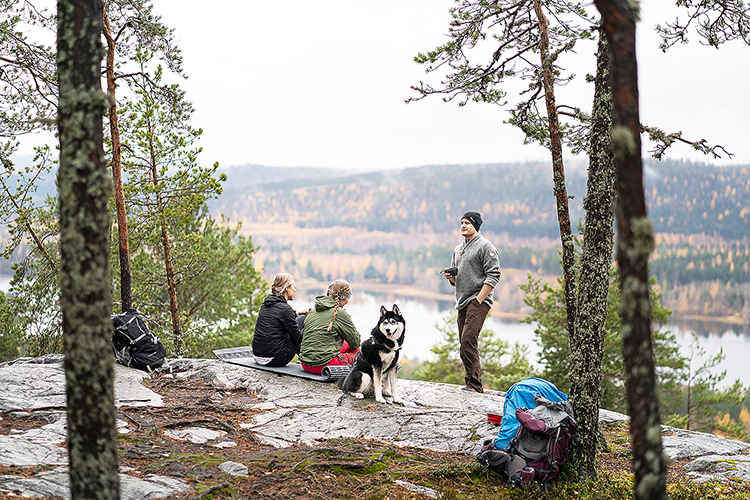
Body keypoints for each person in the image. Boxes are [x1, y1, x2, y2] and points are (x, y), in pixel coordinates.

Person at [443, 211, 501, 393]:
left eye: (467, 222)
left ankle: (475, 385)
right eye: (461, 222)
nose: (463, 225)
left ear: (475, 225)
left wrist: (479, 299)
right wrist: (451, 277)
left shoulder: (485, 246)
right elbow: (456, 281)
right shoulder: (458, 249)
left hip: (478, 300)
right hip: (462, 301)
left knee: (468, 339)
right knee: (464, 342)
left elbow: (494, 275)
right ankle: (471, 383)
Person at [299, 279, 361, 375]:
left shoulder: (313, 310)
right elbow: (356, 343)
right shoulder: (340, 313)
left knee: (345, 344)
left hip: (305, 364)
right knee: (359, 352)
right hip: (324, 365)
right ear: (346, 295)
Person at [251, 273, 307, 367]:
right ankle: (305, 358)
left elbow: (279, 314)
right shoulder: (285, 309)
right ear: (287, 288)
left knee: (300, 318)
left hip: (258, 356)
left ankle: (302, 356)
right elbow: (297, 339)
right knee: (303, 320)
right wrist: (311, 325)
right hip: (275, 358)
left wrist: (297, 313)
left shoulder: (267, 303)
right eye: (294, 287)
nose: (295, 291)